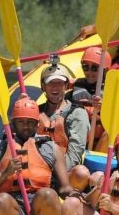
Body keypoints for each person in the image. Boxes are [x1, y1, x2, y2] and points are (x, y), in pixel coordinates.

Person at [0, 97, 73, 215]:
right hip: (12, 208)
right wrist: (5, 173)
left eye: (30, 122)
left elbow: (64, 188)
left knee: (47, 194)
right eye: (21, 122)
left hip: (41, 207)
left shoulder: (51, 148)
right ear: (12, 124)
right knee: (1, 201)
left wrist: (78, 196)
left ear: (37, 125)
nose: (26, 126)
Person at [37, 57, 91, 189]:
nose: (55, 87)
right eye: (50, 83)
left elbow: (74, 154)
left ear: (66, 86)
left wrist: (51, 174)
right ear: (43, 86)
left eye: (60, 83)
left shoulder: (77, 113)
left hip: (63, 175)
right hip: (37, 169)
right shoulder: (35, 112)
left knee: (81, 172)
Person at [66, 46, 112, 150]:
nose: (89, 72)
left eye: (95, 68)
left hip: (100, 144)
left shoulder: (111, 91)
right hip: (77, 139)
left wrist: (105, 107)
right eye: (86, 67)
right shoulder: (75, 87)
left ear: (105, 70)